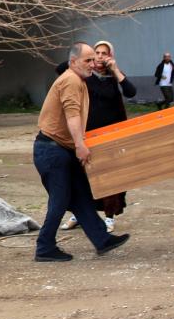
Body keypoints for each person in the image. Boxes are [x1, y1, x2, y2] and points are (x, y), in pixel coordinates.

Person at [33, 41, 130, 262]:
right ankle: (44, 247)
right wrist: (80, 145)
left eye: (94, 60)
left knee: (82, 197)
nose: (93, 64)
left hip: (59, 149)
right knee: (60, 200)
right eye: (88, 60)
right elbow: (72, 115)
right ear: (73, 62)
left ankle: (102, 239)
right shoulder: (71, 80)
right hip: (52, 150)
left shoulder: (79, 80)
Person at [57, 41, 137, 233]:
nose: (100, 57)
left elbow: (131, 91)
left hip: (111, 135)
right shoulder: (85, 74)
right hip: (87, 133)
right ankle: (80, 213)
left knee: (110, 176)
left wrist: (115, 69)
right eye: (97, 53)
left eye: (104, 53)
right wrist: (85, 59)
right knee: (82, 176)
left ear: (110, 56)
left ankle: (109, 217)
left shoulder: (113, 76)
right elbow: (61, 67)